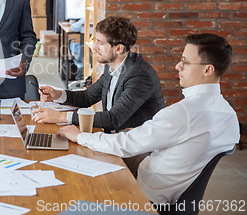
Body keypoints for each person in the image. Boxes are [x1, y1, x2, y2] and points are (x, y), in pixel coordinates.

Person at [57, 34, 239, 207]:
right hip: (171, 187)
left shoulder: (184, 113)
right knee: (114, 140)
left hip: (146, 193)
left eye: (185, 62)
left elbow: (125, 145)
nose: (178, 66)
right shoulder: (229, 115)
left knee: (82, 163)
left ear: (208, 69)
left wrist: (79, 136)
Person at [34, 16, 165, 133]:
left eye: (100, 43)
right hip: (119, 138)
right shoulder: (113, 66)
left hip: (137, 147)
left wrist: (60, 117)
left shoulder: (139, 75)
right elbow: (87, 97)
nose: (94, 46)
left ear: (118, 49)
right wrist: (58, 94)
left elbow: (114, 118)